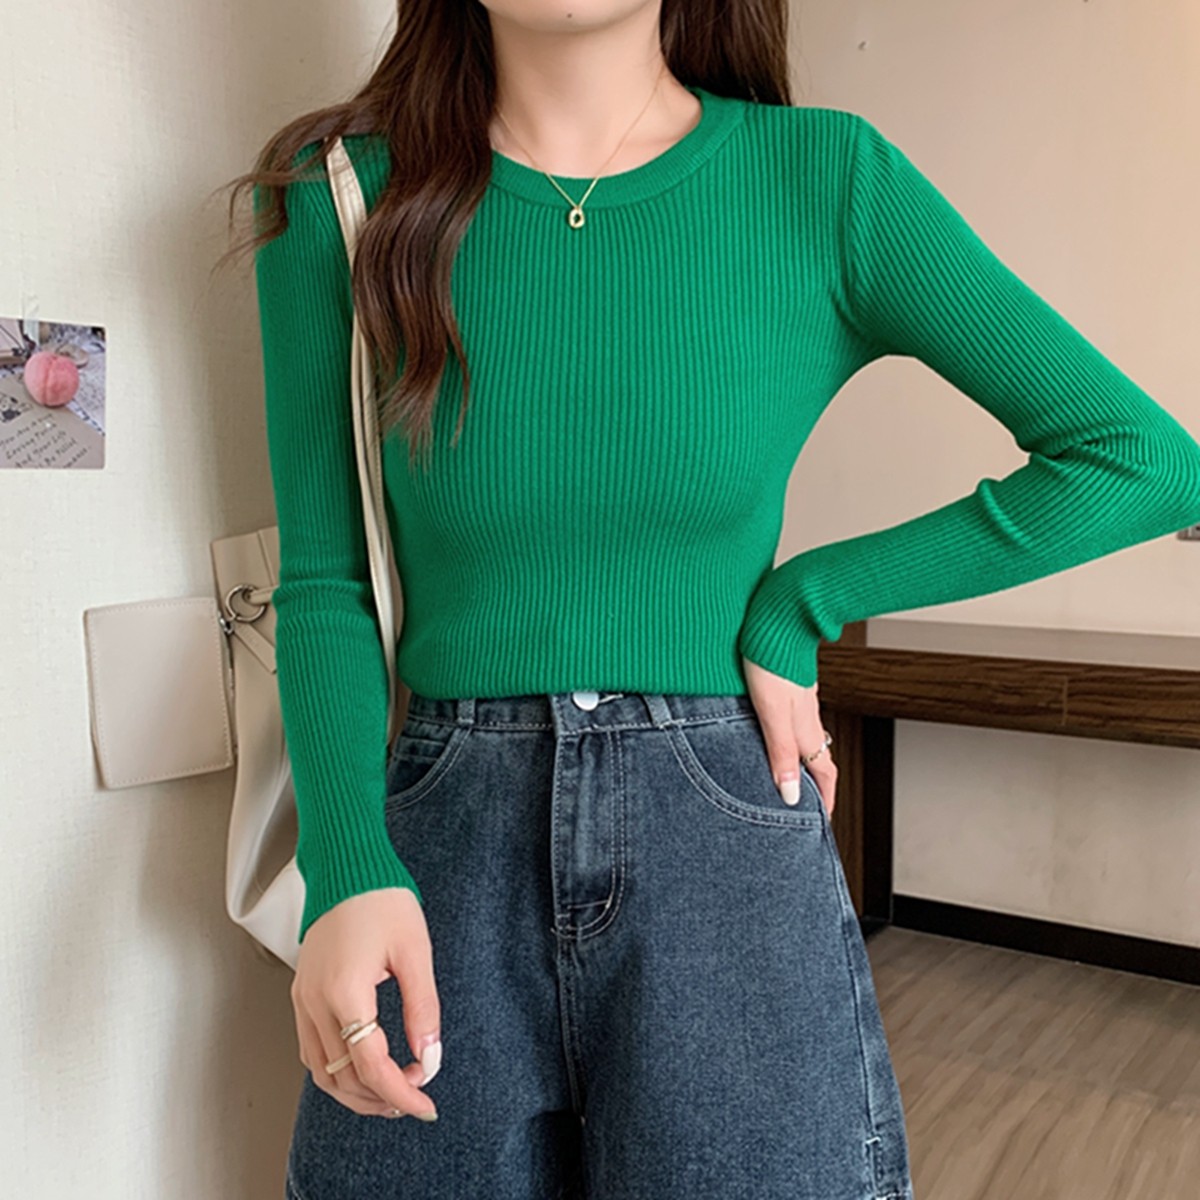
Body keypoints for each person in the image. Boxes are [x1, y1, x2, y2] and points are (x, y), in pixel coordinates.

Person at [228, 2, 1200, 1196]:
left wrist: (808, 598)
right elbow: (324, 583)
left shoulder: (823, 178)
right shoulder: (337, 199)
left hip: (723, 828)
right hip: (437, 847)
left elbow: (1139, 461)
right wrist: (344, 865)